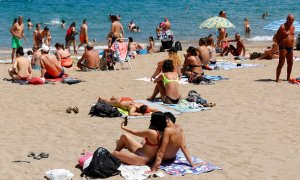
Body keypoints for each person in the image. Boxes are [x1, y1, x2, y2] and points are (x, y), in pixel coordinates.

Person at [275, 14, 295, 82]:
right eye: (289, 20)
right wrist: (280, 44)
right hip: (283, 48)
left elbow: (292, 36)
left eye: (292, 20)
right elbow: (276, 37)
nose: (291, 21)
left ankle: (288, 78)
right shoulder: (282, 27)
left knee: (290, 63)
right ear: (287, 19)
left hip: (290, 48)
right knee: (281, 63)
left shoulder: (293, 27)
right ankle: (277, 79)